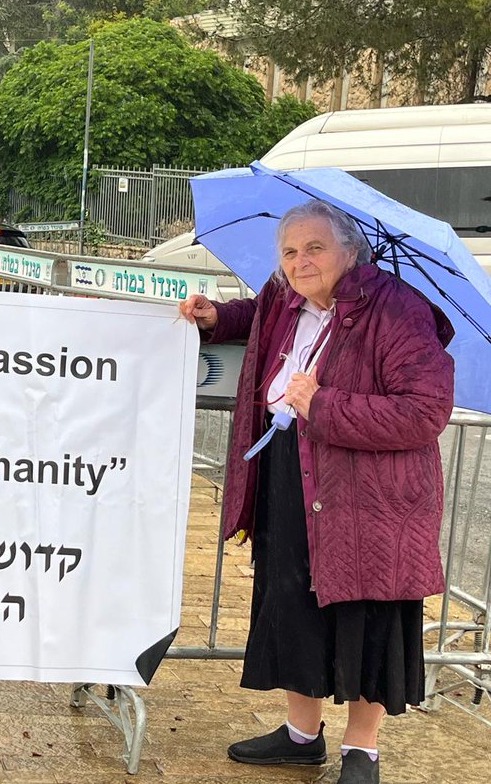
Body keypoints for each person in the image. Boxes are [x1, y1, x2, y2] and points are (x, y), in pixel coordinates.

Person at [178, 199, 454, 784]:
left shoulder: (399, 309)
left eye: (314, 248)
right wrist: (214, 319)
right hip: (288, 470)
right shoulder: (284, 299)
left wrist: (322, 405)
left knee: (366, 609)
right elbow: (256, 316)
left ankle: (363, 749)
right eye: (289, 251)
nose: (300, 261)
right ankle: (302, 734)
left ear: (350, 251)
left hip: (371, 494)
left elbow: (425, 412)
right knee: (291, 599)